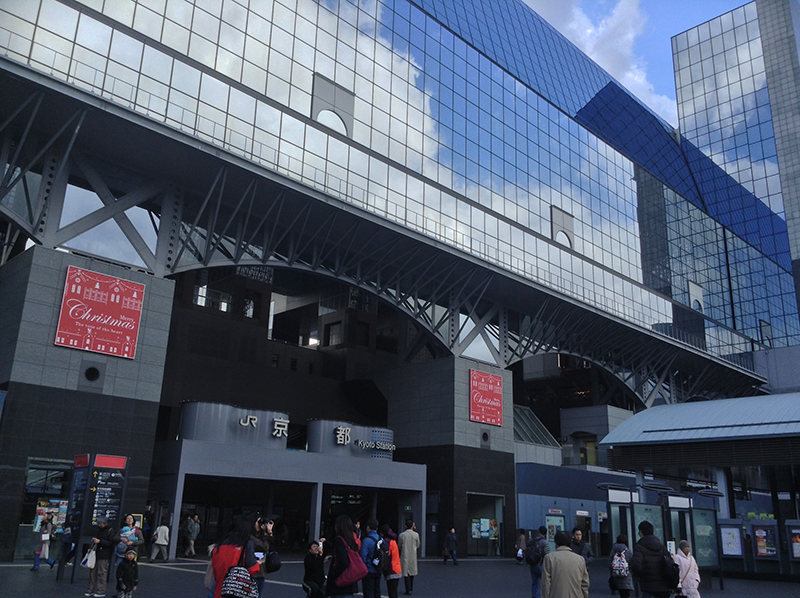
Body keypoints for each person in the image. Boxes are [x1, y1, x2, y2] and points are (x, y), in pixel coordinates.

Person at [211, 514, 261, 598]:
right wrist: (258, 563)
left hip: (219, 592)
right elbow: (253, 569)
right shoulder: (247, 544)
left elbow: (215, 572)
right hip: (236, 592)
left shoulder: (218, 547)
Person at [541, 530, 589, 598]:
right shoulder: (580, 559)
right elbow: (584, 584)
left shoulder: (549, 558)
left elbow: (546, 584)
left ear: (556, 543)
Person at [631, 520, 672, 598]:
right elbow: (670, 563)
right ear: (653, 532)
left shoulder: (639, 547)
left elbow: (636, 566)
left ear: (641, 532)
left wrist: (640, 576)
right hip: (664, 586)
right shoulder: (661, 546)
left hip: (648, 587)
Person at [325, 514, 360, 597]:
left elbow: (343, 561)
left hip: (340, 582)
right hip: (350, 580)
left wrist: (335, 573)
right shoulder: (352, 539)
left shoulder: (339, 540)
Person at [87, 515, 117, 598]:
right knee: (93, 573)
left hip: (104, 554)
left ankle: (101, 591)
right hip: (97, 552)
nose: (99, 525)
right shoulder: (99, 530)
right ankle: (91, 590)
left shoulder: (110, 531)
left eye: (100, 523)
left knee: (101, 573)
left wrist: (100, 541)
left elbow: (111, 543)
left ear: (105, 523)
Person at [251, 515, 275, 598]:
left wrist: (270, 531)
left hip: (262, 571)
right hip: (252, 572)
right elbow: (264, 546)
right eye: (258, 522)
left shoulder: (263, 536)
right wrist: (265, 533)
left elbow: (272, 546)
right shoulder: (250, 537)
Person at [359, 518, 381, 598]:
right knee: (377, 591)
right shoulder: (381, 539)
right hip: (378, 569)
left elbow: (363, 557)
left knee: (368, 592)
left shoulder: (366, 541)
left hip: (369, 570)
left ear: (368, 527)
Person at [526, 525, 550, 598]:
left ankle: (534, 595)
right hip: (540, 564)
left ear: (538, 531)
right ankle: (540, 596)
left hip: (532, 564)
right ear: (546, 534)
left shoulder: (531, 540)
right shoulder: (544, 542)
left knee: (535, 582)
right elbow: (547, 555)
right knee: (544, 582)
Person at [397, 520, 420, 595]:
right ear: (412, 526)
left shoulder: (402, 535)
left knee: (406, 573)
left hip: (405, 555)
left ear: (405, 526)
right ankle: (411, 588)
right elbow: (418, 545)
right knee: (412, 572)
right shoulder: (416, 535)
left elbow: (399, 545)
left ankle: (407, 589)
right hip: (413, 555)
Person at [379, 524, 402, 598]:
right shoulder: (393, 541)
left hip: (391, 570)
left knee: (391, 592)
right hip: (397, 569)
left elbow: (385, 555)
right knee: (394, 592)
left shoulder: (387, 542)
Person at [609, 534, 634, 598]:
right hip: (626, 577)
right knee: (626, 595)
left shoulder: (613, 551)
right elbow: (631, 562)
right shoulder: (628, 551)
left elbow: (610, 562)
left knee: (621, 593)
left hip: (616, 575)